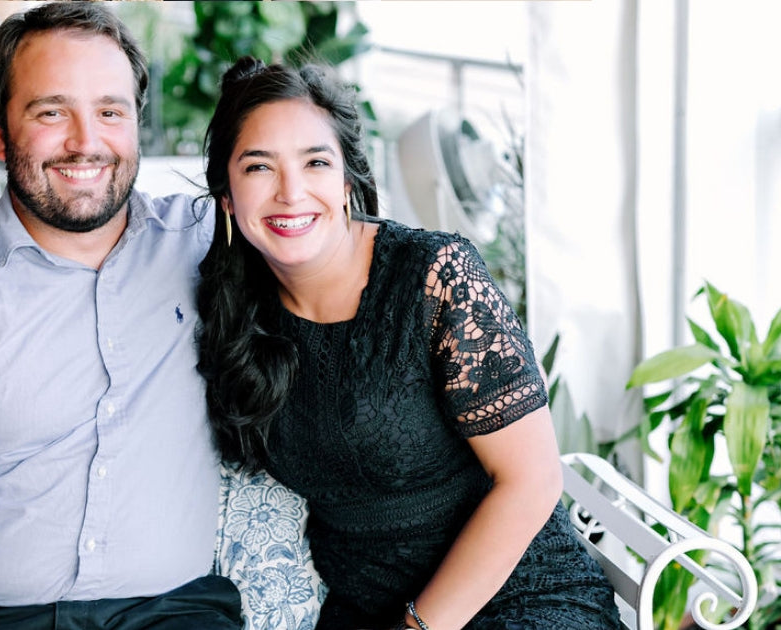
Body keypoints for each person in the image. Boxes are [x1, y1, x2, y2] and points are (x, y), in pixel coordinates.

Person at [0, 4, 240, 630]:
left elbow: (343, 248)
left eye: (110, 112)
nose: (86, 141)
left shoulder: (209, 245)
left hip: (178, 613)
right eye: (51, 112)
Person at [195, 57, 622, 630]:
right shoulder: (233, 306)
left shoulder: (434, 277)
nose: (291, 193)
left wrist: (418, 626)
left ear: (347, 182)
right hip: (364, 610)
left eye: (316, 162)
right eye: (258, 168)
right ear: (226, 196)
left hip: (517, 598)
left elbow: (533, 480)